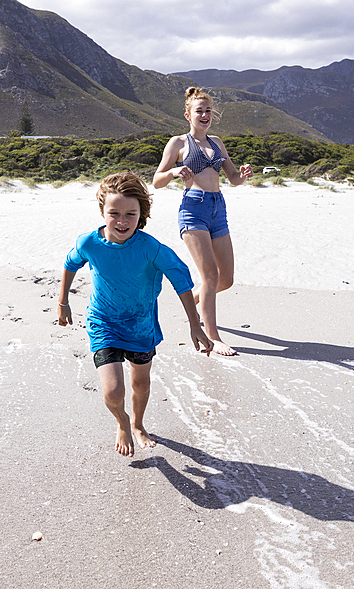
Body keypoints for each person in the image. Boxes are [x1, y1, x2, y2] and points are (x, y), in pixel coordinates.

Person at [58, 171, 213, 457]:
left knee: (140, 384)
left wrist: (195, 324)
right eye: (114, 213)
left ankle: (138, 423)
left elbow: (181, 278)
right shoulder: (89, 243)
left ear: (141, 213)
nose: (122, 221)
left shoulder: (150, 248)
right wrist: (63, 301)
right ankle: (122, 422)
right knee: (113, 392)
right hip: (103, 322)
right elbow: (70, 264)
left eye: (131, 214)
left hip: (141, 327)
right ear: (103, 212)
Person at [153, 87, 253, 356]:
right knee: (209, 275)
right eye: (199, 111)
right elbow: (156, 180)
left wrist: (243, 175)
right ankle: (212, 337)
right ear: (188, 114)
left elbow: (232, 177)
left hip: (218, 208)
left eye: (208, 110)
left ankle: (193, 302)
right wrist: (174, 171)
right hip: (193, 209)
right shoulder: (178, 143)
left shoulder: (218, 143)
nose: (205, 114)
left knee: (226, 279)